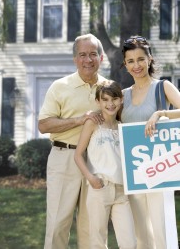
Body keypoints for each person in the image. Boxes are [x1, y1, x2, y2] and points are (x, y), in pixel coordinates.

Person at [38, 33, 106, 249]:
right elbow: (44, 125)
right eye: (83, 55)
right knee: (58, 223)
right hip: (64, 158)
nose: (88, 60)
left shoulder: (109, 88)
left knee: (93, 226)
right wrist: (80, 120)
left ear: (101, 58)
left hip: (96, 161)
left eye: (93, 54)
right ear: (75, 59)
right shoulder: (59, 86)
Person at [121, 35, 180, 249]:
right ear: (125, 65)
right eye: (130, 61)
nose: (136, 65)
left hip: (160, 169)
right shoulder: (123, 95)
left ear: (149, 59)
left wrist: (160, 113)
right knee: (141, 235)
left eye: (140, 59)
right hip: (134, 172)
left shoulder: (162, 87)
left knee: (162, 231)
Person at [74, 80, 137, 249]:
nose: (110, 104)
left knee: (130, 243)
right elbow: (78, 155)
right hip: (100, 188)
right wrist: (91, 178)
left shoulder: (121, 126)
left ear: (121, 99)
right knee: (98, 242)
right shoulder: (93, 123)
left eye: (114, 99)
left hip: (121, 190)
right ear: (98, 102)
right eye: (105, 99)